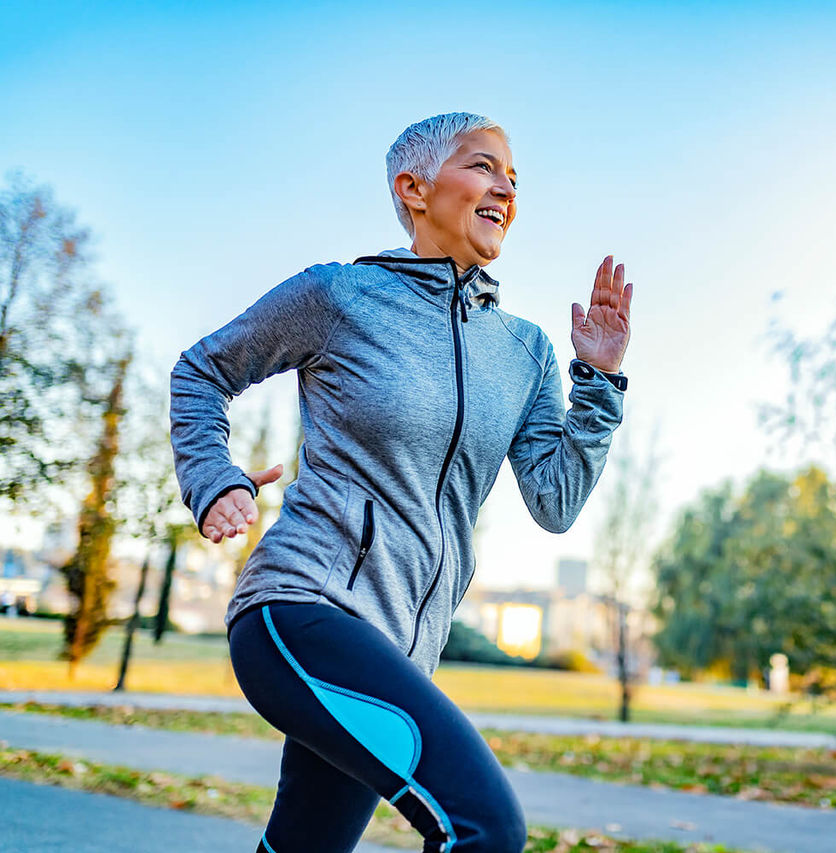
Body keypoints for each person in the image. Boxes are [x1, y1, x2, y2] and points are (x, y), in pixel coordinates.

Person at [169, 112, 632, 853]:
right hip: (301, 608)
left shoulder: (526, 351)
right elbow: (202, 370)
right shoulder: (340, 296)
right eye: (484, 167)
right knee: (486, 830)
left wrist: (600, 381)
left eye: (513, 179)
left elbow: (556, 500)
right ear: (413, 188)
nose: (505, 189)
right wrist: (213, 477)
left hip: (399, 652)